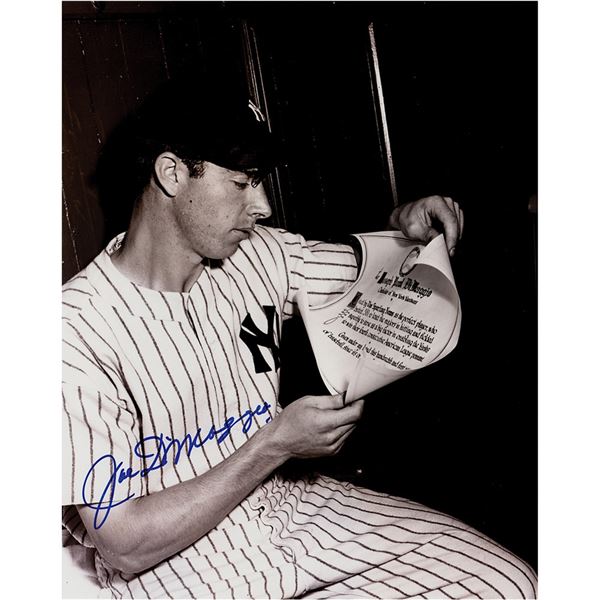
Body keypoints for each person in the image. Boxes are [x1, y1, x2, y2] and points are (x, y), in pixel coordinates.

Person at [62, 80, 537, 599]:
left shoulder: (260, 253)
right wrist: (276, 444)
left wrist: (405, 233)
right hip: (178, 570)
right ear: (172, 174)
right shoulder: (75, 329)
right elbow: (123, 542)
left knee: (507, 584)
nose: (262, 205)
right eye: (242, 183)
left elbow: (377, 282)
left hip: (290, 509)